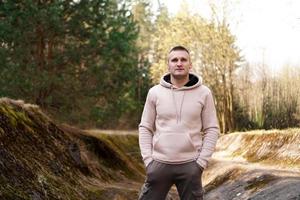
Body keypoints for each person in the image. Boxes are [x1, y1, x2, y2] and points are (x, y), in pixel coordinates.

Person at [138, 45, 219, 200]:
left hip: (191, 165)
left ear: (190, 64)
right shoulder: (154, 92)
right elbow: (145, 127)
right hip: (159, 164)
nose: (179, 63)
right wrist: (148, 160)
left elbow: (212, 129)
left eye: (183, 59)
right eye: (174, 60)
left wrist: (201, 162)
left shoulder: (204, 93)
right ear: (168, 64)